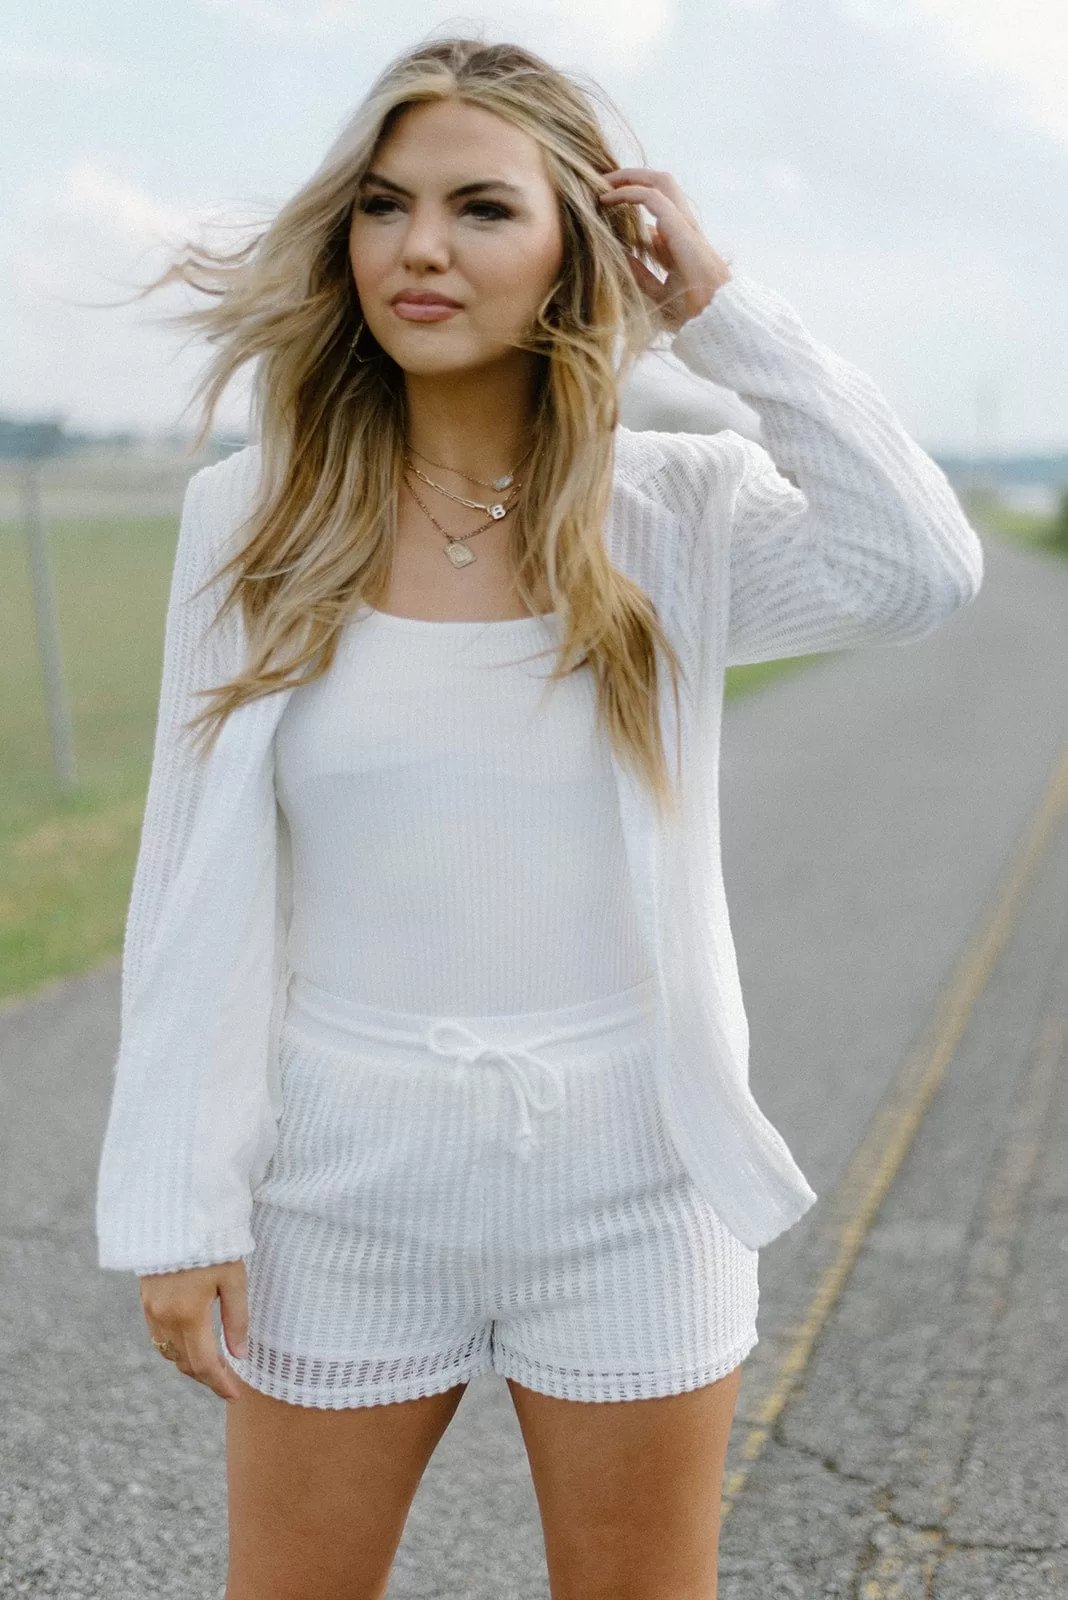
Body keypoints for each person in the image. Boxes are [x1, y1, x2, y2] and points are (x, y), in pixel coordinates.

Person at [94, 34, 984, 1600]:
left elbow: (920, 571)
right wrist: (181, 1203)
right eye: (383, 205)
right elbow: (194, 872)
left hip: (635, 1176)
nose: (419, 246)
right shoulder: (256, 510)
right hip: (340, 1178)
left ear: (582, 246)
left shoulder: (672, 513)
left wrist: (722, 312)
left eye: (481, 208)